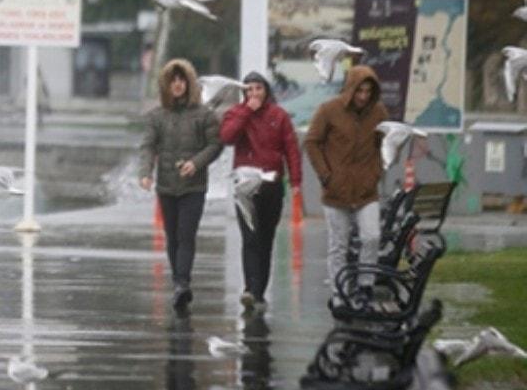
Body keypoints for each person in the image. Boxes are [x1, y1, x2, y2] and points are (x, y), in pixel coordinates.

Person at [138, 59, 223, 310]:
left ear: (189, 83)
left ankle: (182, 283)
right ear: (166, 84)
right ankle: (178, 281)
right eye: (173, 81)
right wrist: (145, 172)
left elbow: (215, 144)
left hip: (193, 186)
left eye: (181, 80)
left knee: (186, 235)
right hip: (166, 185)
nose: (177, 85)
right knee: (172, 236)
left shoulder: (204, 114)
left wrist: (196, 163)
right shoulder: (157, 116)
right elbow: (148, 145)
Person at [219, 72, 302, 313]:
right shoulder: (236, 113)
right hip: (245, 185)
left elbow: (291, 148)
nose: (254, 94)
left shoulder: (279, 115)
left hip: (272, 185)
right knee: (250, 238)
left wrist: (296, 180)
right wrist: (246, 111)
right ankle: (250, 290)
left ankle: (259, 291)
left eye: (258, 89)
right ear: (243, 93)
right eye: (249, 89)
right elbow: (227, 137)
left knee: (265, 239)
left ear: (266, 90)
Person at [303, 65, 388, 288]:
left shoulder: (378, 112)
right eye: (359, 91)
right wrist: (325, 175)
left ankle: (365, 286)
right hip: (336, 190)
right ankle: (338, 291)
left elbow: (384, 144)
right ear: (350, 89)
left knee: (371, 237)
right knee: (338, 244)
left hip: (366, 190)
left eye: (368, 91)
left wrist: (376, 172)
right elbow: (312, 142)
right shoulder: (329, 110)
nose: (363, 96)